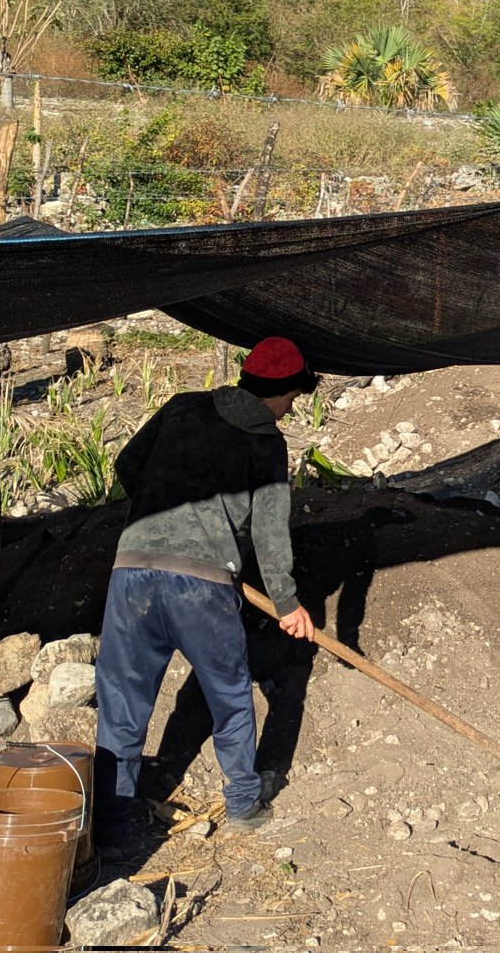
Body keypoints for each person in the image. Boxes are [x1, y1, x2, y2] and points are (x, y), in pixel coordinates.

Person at [95, 336, 319, 838]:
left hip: (130, 571)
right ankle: (242, 803)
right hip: (201, 585)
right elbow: (269, 530)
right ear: (279, 390)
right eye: (291, 399)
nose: (288, 410)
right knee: (230, 692)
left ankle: (111, 817)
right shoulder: (265, 441)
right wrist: (287, 602)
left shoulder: (181, 409)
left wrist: (163, 509)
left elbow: (128, 465)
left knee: (123, 697)